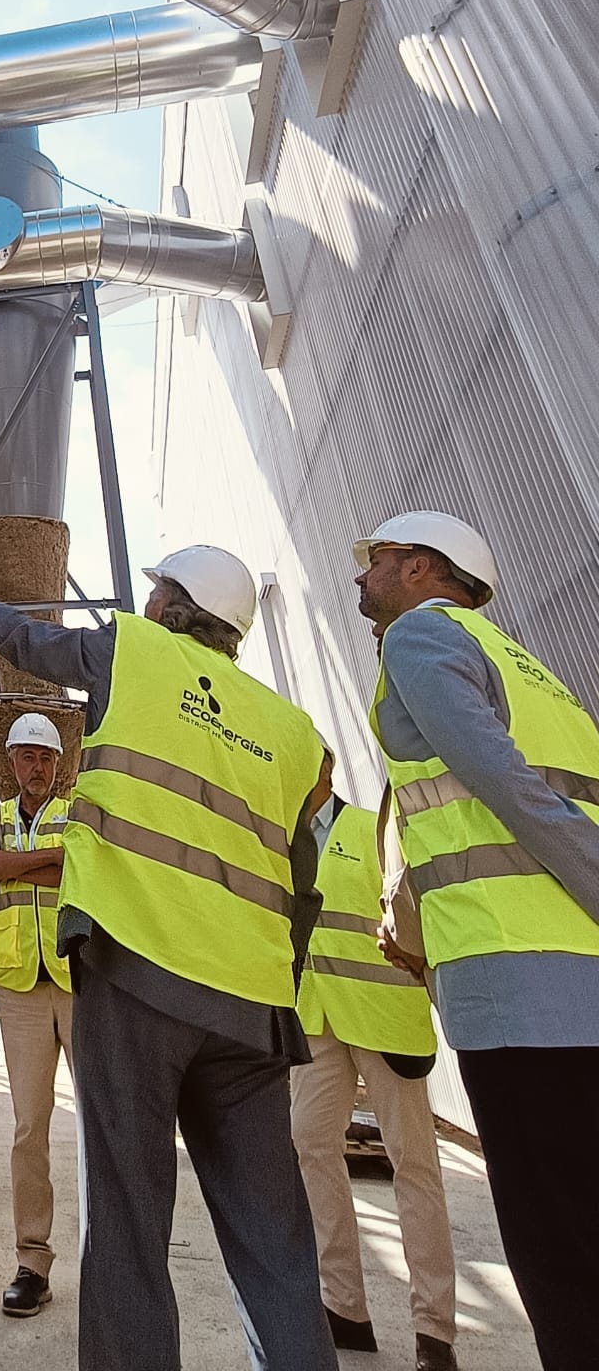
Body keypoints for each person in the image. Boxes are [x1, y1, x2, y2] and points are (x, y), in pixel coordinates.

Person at [0, 546, 336, 1371]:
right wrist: (274, 991)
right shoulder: (293, 734)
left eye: (157, 592)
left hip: (140, 977)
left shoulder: (135, 655)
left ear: (172, 607)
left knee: (126, 1220)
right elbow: (305, 886)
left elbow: (29, 641)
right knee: (276, 1241)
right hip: (251, 1011)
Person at [355, 511, 599, 1371]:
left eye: (375, 560)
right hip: (576, 985)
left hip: (517, 988)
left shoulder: (420, 639)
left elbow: (506, 786)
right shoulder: (536, 671)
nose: (361, 577)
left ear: (421, 568)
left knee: (558, 1245)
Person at [291, 785, 457, 1368]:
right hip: (321, 1021)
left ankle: (434, 1331)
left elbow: (412, 914)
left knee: (414, 1167)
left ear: (322, 775)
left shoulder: (370, 828)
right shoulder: (282, 841)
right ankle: (344, 1306)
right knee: (311, 1144)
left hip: (385, 1020)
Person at [0, 710, 74, 1317]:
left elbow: (81, 862)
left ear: (58, 767)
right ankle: (32, 1262)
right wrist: (50, 859)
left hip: (78, 978)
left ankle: (116, 1256)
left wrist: (33, 861)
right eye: (27, 758)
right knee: (28, 1130)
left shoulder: (78, 813)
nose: (36, 768)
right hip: (20, 985)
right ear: (10, 763)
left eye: (46, 759)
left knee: (104, 1126)